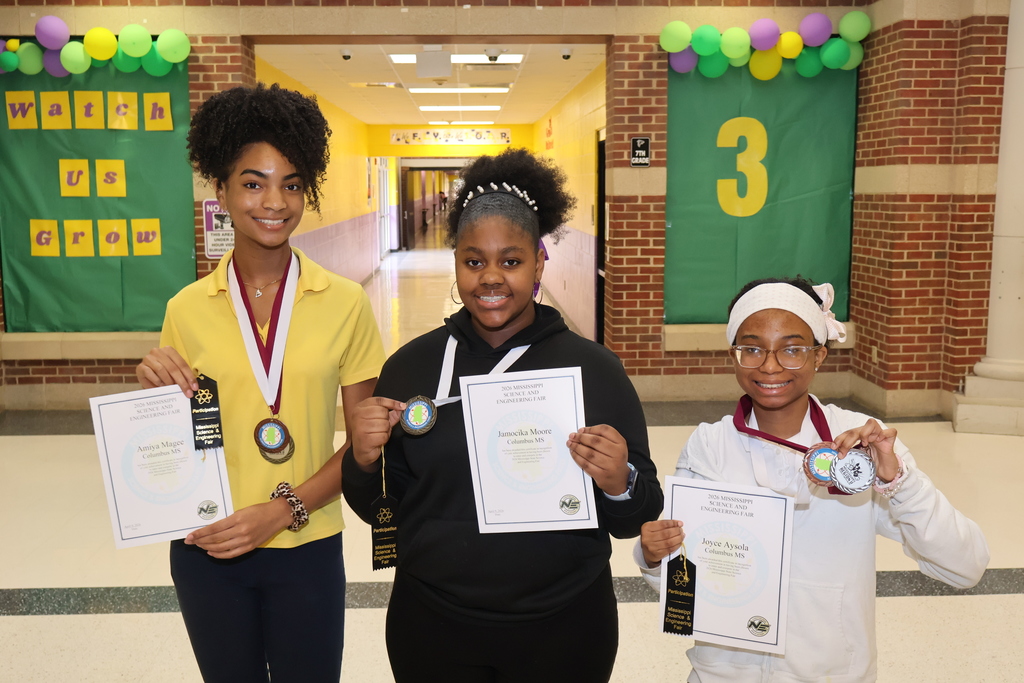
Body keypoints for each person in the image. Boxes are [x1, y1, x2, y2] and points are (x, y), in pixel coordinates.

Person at [342, 148, 663, 682]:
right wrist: (361, 457)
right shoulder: (411, 366)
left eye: (510, 261)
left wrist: (619, 480)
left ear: (539, 261)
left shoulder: (594, 369)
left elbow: (638, 514)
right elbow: (380, 508)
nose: (491, 278)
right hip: (432, 626)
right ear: (456, 263)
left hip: (566, 627)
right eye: (474, 262)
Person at [136, 83, 386, 682]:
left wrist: (281, 510)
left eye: (292, 184)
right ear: (219, 189)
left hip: (307, 542)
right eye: (253, 183)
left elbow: (365, 443)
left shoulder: (345, 302)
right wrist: (153, 393)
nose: (275, 202)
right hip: (208, 544)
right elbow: (179, 436)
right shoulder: (186, 308)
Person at [637, 277, 989, 683]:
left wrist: (897, 482)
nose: (770, 366)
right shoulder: (710, 445)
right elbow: (685, 591)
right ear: (733, 355)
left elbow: (965, 567)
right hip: (720, 675)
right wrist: (654, 557)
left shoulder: (860, 445)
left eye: (792, 349)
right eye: (752, 348)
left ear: (819, 355)